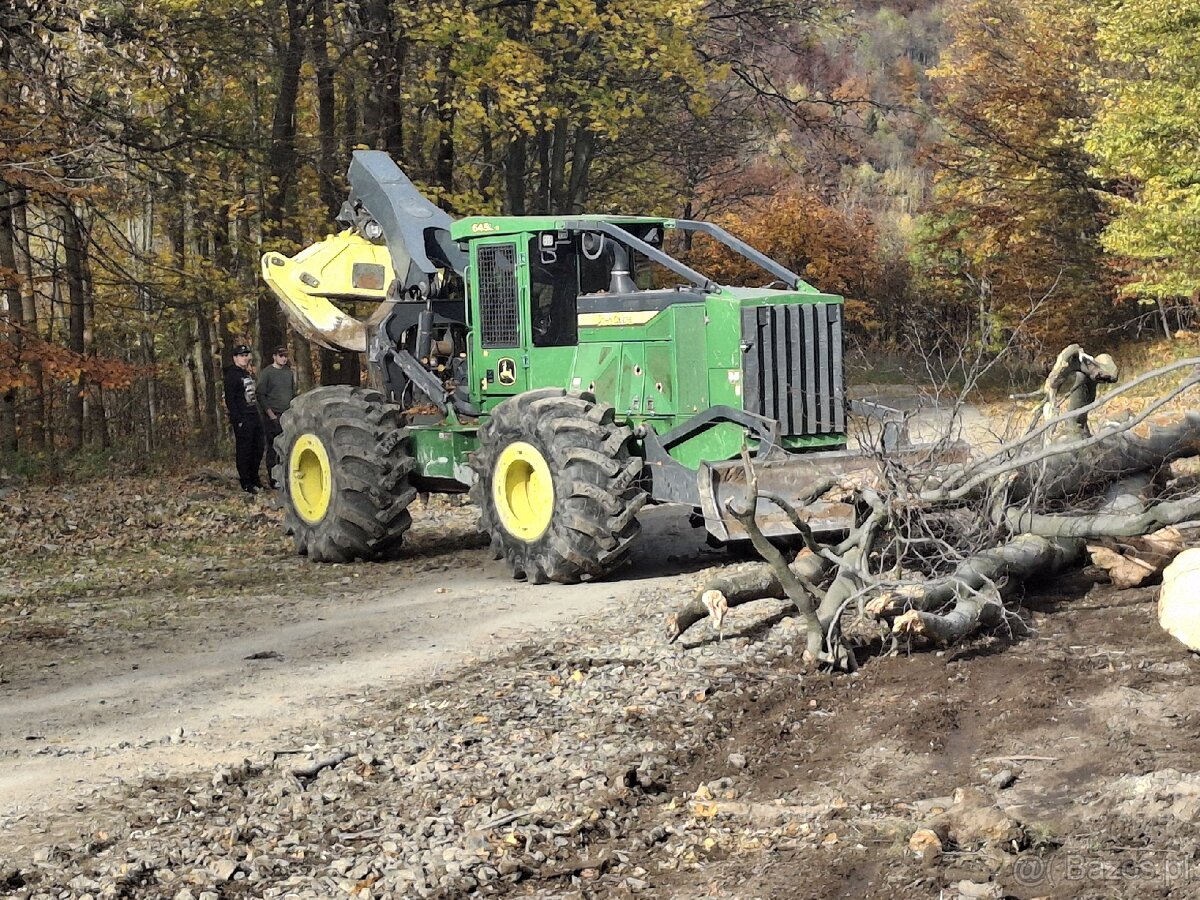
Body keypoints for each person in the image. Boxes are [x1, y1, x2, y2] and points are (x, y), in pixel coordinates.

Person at [223, 343, 265, 493]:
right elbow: (230, 400)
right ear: (235, 358)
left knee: (258, 447)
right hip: (242, 418)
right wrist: (238, 419)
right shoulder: (232, 375)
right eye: (241, 355)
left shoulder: (246, 374)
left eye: (246, 355)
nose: (245, 358)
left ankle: (255, 478)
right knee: (245, 449)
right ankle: (246, 482)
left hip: (253, 415)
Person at [257, 345, 295, 488]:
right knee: (273, 447)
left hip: (288, 415)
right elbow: (260, 394)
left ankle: (285, 476)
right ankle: (273, 479)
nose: (284, 358)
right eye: (281, 355)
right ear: (274, 356)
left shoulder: (289, 373)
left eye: (285, 356)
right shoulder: (267, 373)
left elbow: (292, 392)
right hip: (273, 415)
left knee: (287, 446)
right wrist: (270, 414)